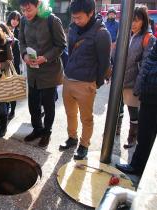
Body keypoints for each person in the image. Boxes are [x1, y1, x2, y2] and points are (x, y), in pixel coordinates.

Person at [59, 0, 111, 159]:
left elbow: (104, 63)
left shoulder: (102, 34)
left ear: (91, 13)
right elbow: (70, 51)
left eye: (79, 17)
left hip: (86, 83)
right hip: (68, 78)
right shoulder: (73, 27)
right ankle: (72, 137)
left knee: (86, 118)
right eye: (73, 17)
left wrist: (96, 83)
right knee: (70, 113)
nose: (76, 21)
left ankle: (84, 145)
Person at [18, 0, 66, 147]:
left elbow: (61, 45)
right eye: (23, 10)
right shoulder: (23, 21)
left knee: (48, 104)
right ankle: (37, 129)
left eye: (29, 9)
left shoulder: (52, 20)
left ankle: (47, 132)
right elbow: (21, 42)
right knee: (33, 104)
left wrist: (44, 58)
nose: (26, 13)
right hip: (32, 71)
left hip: (49, 72)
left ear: (38, 4)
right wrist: (24, 55)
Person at [116, 39, 157, 176]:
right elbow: (148, 63)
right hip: (150, 92)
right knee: (145, 133)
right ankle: (138, 166)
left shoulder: (148, 38)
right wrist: (140, 86)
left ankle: (143, 169)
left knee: (146, 132)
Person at [122, 6, 155, 149]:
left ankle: (133, 136)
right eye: (131, 20)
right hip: (122, 80)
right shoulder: (127, 34)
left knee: (133, 111)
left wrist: (138, 86)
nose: (133, 24)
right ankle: (115, 131)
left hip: (134, 82)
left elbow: (147, 65)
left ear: (144, 21)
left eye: (137, 20)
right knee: (120, 109)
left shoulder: (148, 38)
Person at [0, 22, 21, 120]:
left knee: (12, 93)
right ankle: (6, 110)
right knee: (4, 92)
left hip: (12, 70)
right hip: (1, 70)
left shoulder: (14, 42)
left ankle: (12, 111)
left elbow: (16, 60)